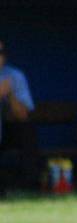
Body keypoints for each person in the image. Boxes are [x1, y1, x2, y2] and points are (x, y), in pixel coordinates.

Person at [0, 40, 39, 189]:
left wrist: (9, 95)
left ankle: (31, 184)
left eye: (1, 53)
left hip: (7, 131)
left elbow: (23, 116)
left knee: (27, 129)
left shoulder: (14, 76)